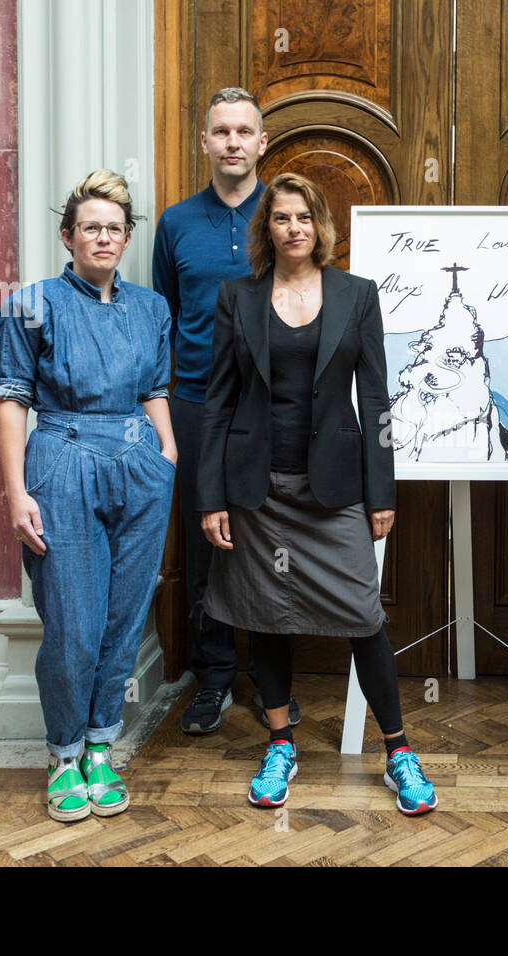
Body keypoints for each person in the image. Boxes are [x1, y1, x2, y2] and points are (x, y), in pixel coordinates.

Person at [196, 172, 437, 815]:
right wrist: (211, 496)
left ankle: (399, 752)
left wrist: (380, 492)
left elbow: (379, 400)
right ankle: (280, 742)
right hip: (257, 489)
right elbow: (217, 403)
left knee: (365, 618)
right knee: (266, 617)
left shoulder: (357, 295)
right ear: (266, 228)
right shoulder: (236, 298)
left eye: (304, 217)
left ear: (321, 226)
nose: (294, 228)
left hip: (335, 490)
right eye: (281, 218)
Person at [0, 169, 176, 822]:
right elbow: (12, 400)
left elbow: (156, 387)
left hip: (138, 468)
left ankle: (101, 745)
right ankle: (63, 755)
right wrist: (17, 492)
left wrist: (168, 454)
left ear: (127, 239)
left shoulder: (152, 308)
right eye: (90, 227)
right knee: (73, 623)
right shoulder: (29, 304)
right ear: (68, 236)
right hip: (60, 463)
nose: (103, 237)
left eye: (114, 229)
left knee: (124, 617)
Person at [153, 87, 301, 733]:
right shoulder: (175, 223)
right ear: (206, 142)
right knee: (205, 545)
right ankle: (212, 679)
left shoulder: (287, 214)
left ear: (262, 142)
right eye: (222, 131)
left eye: (245, 131)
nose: (234, 142)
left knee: (275, 544)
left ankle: (273, 683)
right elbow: (165, 317)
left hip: (272, 407)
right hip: (193, 405)